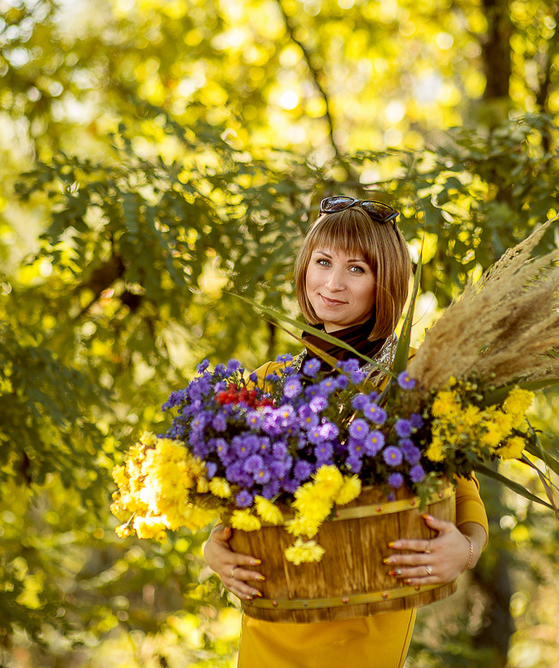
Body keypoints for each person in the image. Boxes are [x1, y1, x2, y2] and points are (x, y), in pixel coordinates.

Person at [202, 195, 490, 668]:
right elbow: (231, 494)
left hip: (364, 630)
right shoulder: (265, 382)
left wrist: (467, 550)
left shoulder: (412, 378)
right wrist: (213, 546)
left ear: (387, 282)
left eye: (356, 269)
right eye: (323, 262)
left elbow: (463, 488)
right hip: (270, 625)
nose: (332, 283)